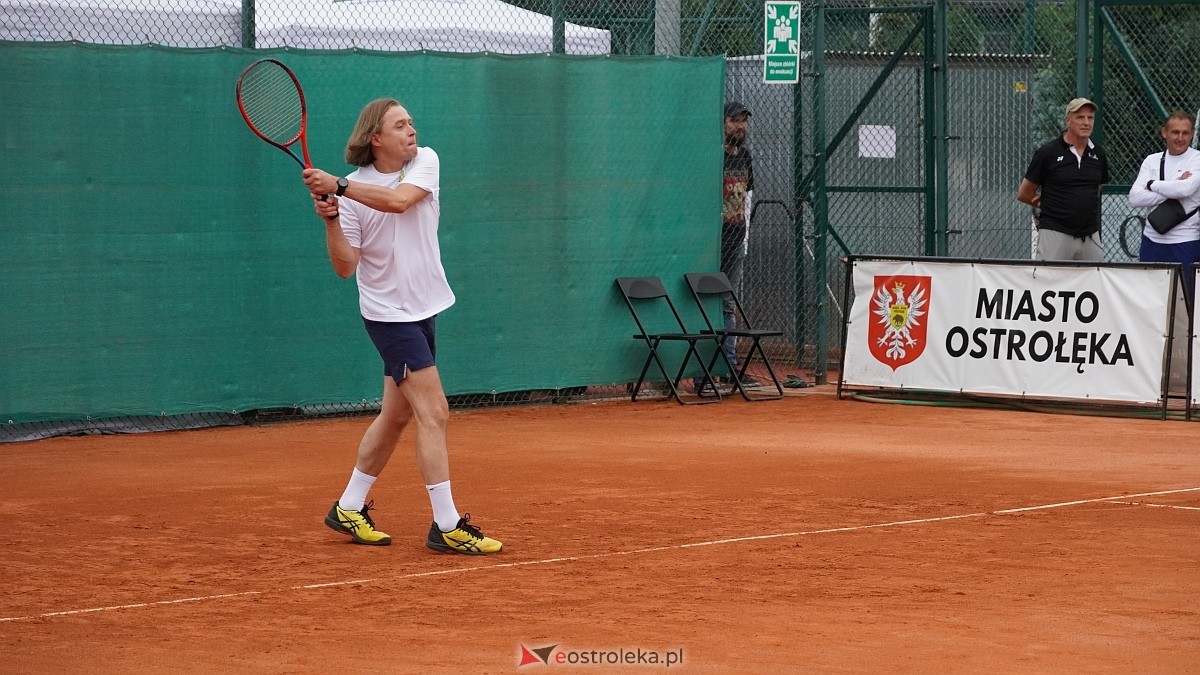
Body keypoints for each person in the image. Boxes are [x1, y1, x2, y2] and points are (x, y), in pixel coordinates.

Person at [301, 98, 502, 555]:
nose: (412, 130)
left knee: (396, 415)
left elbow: (398, 202)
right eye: (400, 125)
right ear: (376, 138)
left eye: (412, 121)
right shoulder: (351, 193)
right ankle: (446, 525)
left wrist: (341, 188)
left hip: (423, 309)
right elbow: (345, 267)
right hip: (389, 317)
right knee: (434, 412)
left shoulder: (424, 162)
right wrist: (333, 220)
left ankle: (348, 507)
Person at [697, 101, 758, 394]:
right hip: (711, 243)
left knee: (727, 304)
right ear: (722, 123)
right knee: (706, 302)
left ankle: (728, 368)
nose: (741, 126)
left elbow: (747, 198)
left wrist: (746, 238)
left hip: (736, 239)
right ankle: (703, 372)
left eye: (744, 121)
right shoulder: (711, 156)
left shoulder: (744, 157)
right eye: (735, 120)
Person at [1017, 97, 1111, 261]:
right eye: (1080, 117)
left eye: (1090, 118)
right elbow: (1024, 193)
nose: (1086, 122)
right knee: (1048, 279)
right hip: (1055, 232)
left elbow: (1096, 189)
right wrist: (1051, 205)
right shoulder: (1048, 153)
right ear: (1067, 121)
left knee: (1096, 281)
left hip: (1090, 235)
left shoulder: (1099, 154)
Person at [1128, 111, 1200, 305]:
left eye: (1185, 133)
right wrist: (1172, 184)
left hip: (1185, 242)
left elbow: (1186, 189)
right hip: (1152, 241)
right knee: (1149, 301)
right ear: (1164, 133)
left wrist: (1152, 184)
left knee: (1185, 303)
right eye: (1175, 132)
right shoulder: (1151, 160)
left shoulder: (1197, 159)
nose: (1180, 138)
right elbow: (1134, 197)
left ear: (1192, 134)